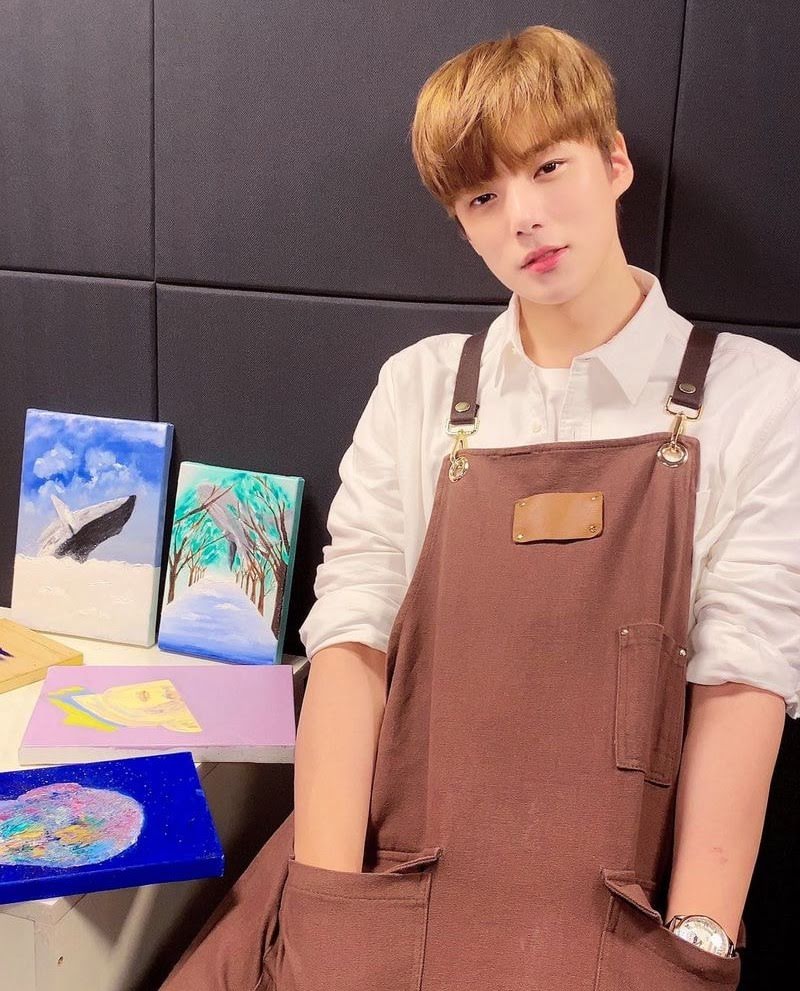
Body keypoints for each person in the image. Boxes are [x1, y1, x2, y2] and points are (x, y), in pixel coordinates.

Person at [160, 24, 799, 991]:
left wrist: (696, 947)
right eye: (484, 197)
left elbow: (744, 681)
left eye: (549, 168)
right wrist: (328, 906)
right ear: (461, 223)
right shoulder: (420, 388)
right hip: (382, 885)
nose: (524, 218)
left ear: (615, 161)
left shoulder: (756, 395)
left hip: (615, 931)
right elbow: (351, 646)